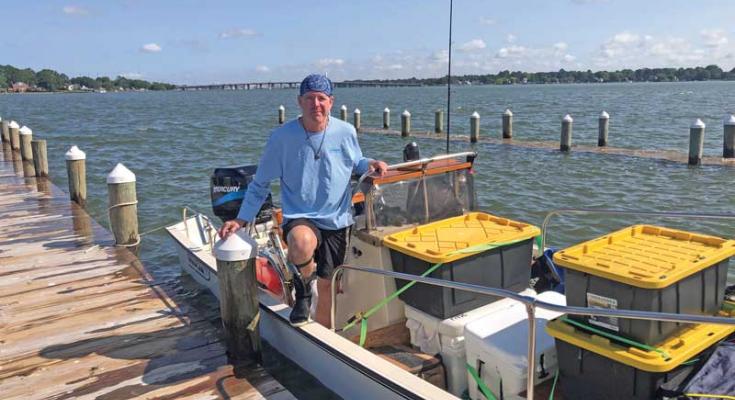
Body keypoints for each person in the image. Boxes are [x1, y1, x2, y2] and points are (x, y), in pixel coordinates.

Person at [219, 73, 388, 327]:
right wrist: (241, 220)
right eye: (310, 98)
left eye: (321, 98)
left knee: (328, 288)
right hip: (301, 215)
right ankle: (303, 290)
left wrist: (372, 164)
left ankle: (322, 336)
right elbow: (259, 184)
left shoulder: (345, 131)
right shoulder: (281, 138)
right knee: (300, 242)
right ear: (300, 102)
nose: (315, 104)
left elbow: (356, 161)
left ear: (330, 102)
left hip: (338, 219)